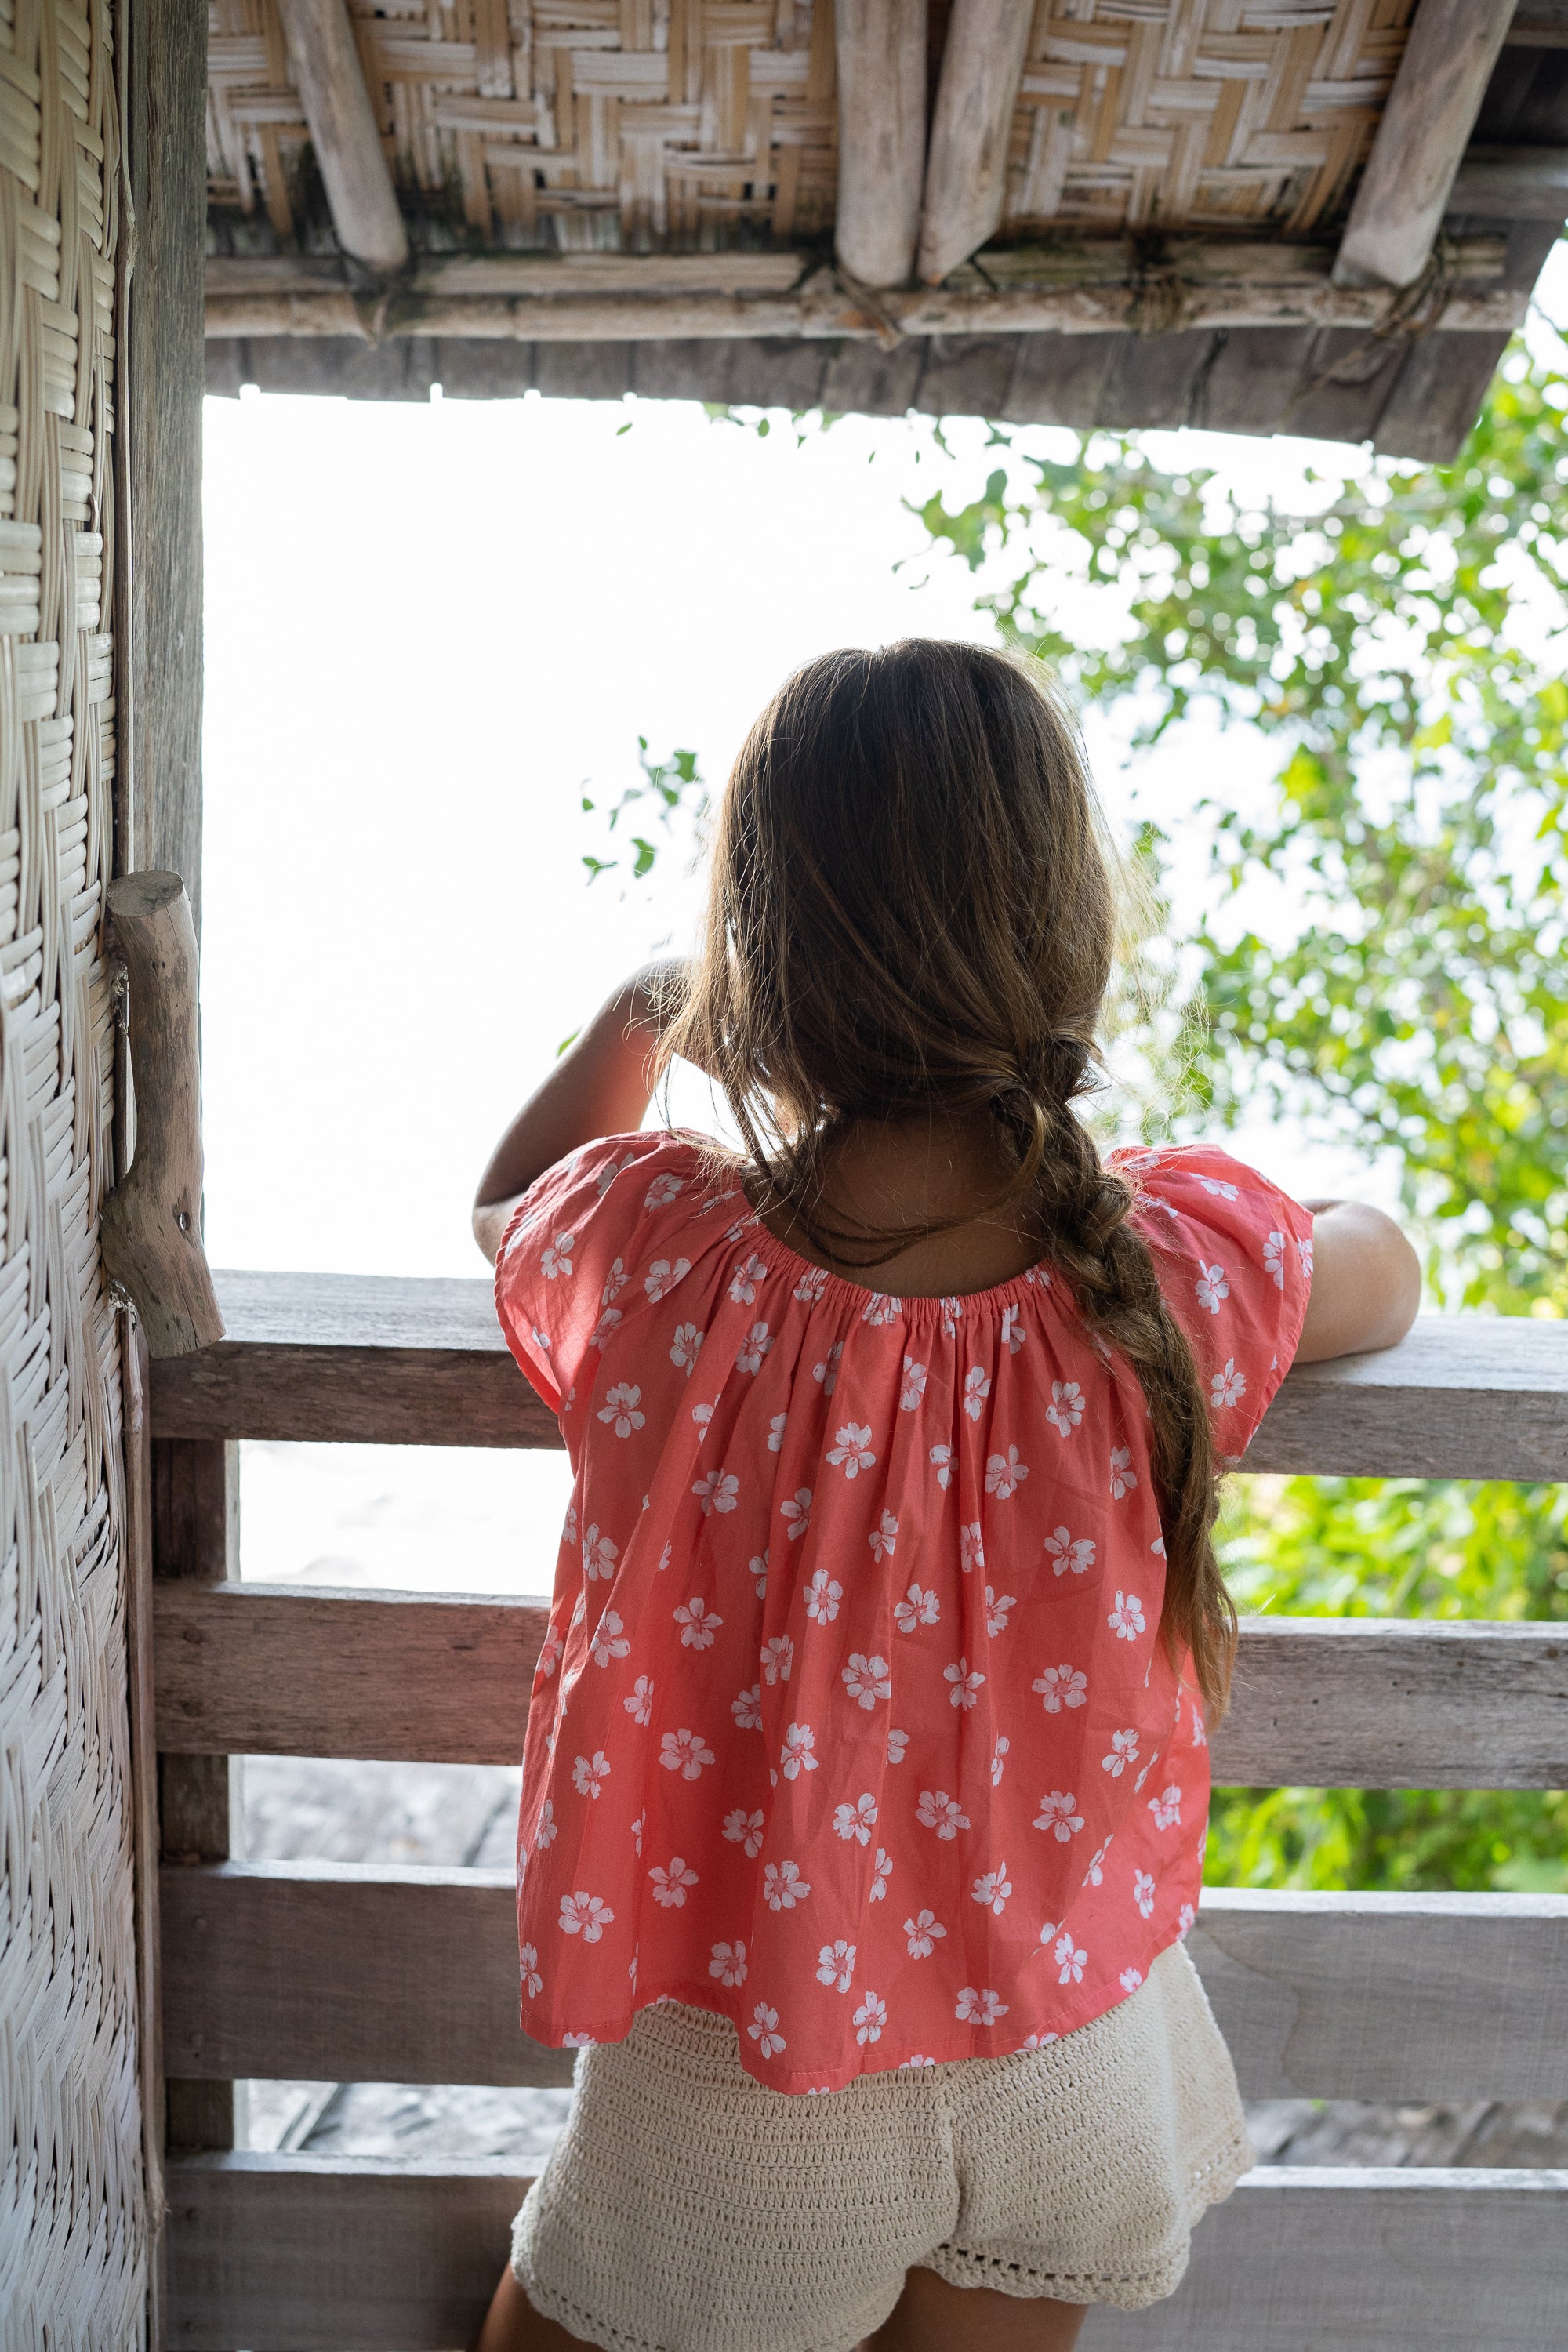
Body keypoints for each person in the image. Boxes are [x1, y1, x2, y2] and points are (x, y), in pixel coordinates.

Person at [470, 641, 1419, 2352]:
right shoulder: (1163, 1268)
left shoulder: (667, 1253)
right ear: (1064, 937)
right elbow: (1381, 1263)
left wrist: (649, 1004)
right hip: (1066, 2042)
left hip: (755, 2069)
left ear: (757, 961)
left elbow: (513, 1200)